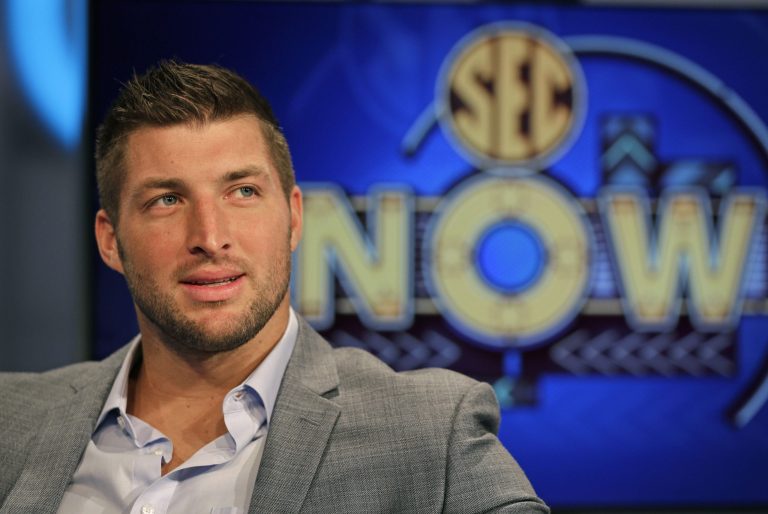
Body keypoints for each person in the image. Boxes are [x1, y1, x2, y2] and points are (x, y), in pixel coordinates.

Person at [0, 61, 549, 514]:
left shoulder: (430, 433)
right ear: (110, 240)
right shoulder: (10, 419)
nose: (209, 237)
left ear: (293, 218)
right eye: (167, 200)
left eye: (242, 191)